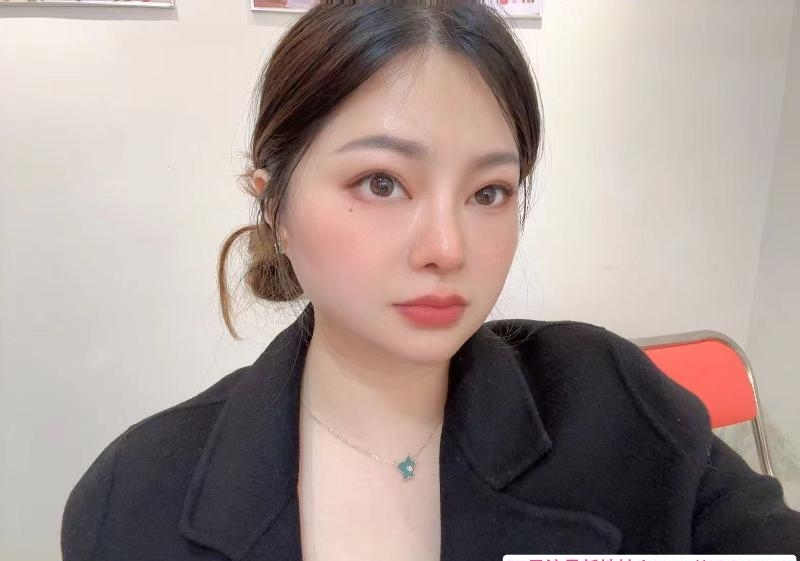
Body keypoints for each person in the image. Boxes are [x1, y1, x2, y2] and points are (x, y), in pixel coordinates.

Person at [61, 1, 800, 559]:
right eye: (382, 182)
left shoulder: (613, 402)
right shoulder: (133, 496)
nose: (448, 247)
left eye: (489, 192)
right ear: (275, 204)